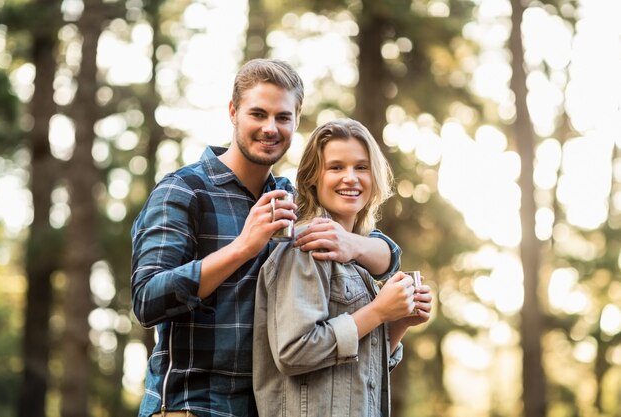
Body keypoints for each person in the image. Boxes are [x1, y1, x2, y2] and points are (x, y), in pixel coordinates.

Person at [130, 59, 402, 417]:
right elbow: (148, 299)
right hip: (192, 407)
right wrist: (243, 247)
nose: (270, 128)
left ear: (295, 120)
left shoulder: (289, 199)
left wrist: (357, 245)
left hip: (265, 407)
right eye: (258, 114)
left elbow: (384, 253)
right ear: (233, 112)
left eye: (282, 117)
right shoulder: (184, 191)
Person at [253, 118, 433, 417]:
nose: (350, 178)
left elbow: (355, 369)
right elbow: (294, 352)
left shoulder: (355, 257)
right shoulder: (308, 246)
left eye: (361, 167)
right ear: (313, 177)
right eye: (336, 167)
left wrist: (398, 323)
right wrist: (378, 312)